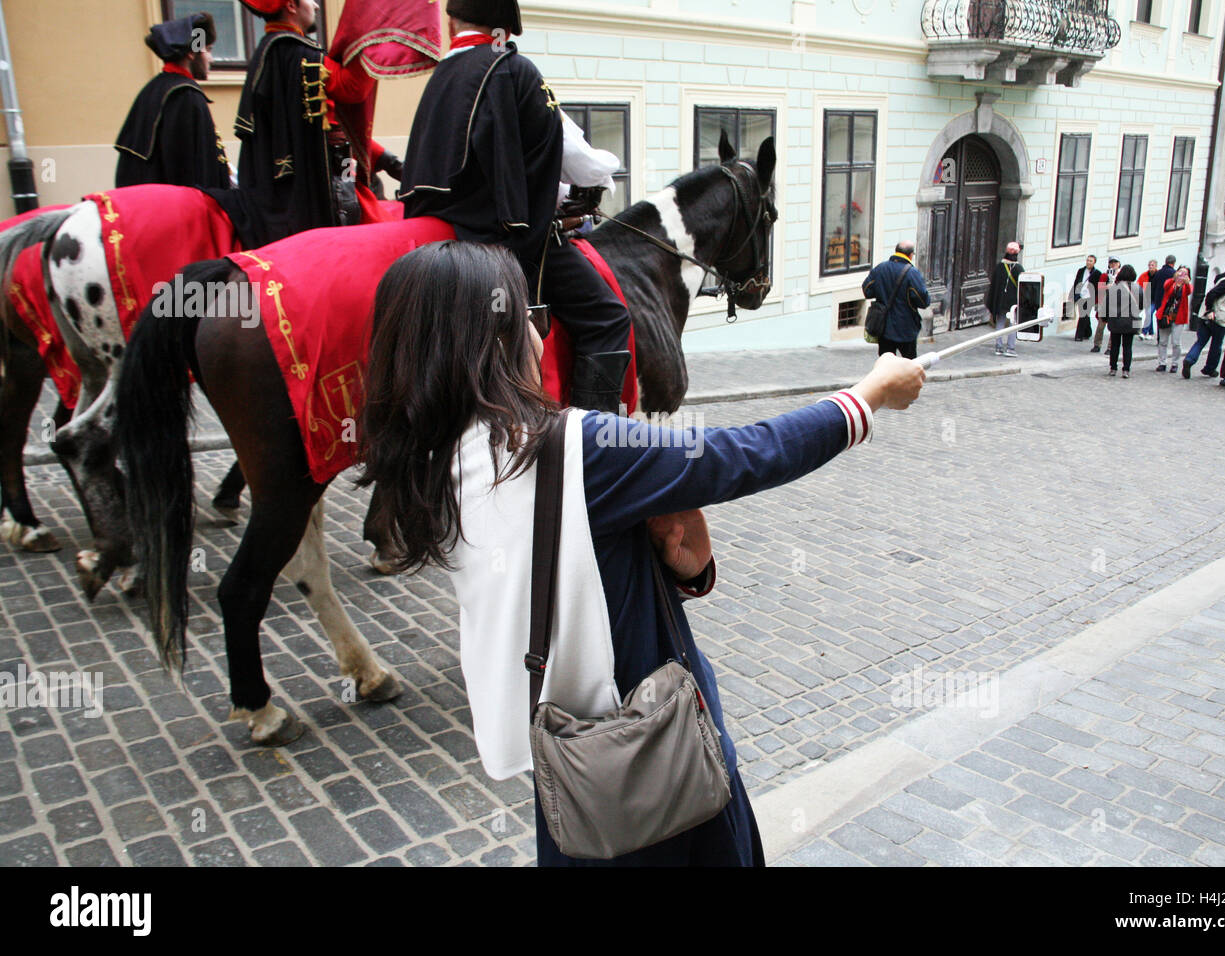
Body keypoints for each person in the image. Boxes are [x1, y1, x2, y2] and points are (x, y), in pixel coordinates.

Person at [357, 241, 925, 866]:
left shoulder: (433, 465)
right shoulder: (572, 447)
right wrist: (868, 395)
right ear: (492, 341)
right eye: (526, 314)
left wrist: (679, 566)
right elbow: (742, 455)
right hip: (655, 758)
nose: (538, 328)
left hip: (572, 787)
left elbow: (567, 569)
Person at [400, 0, 633, 413]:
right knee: (608, 318)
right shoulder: (514, 69)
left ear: (452, 20)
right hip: (502, 244)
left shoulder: (443, 75)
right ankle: (592, 438)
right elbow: (573, 157)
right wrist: (605, 172)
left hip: (443, 235)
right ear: (504, 28)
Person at [221, 0, 385, 246]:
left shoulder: (268, 51)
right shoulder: (301, 55)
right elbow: (352, 88)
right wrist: (374, 36)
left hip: (271, 188)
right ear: (291, 6)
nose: (317, 7)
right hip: (316, 186)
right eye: (311, 0)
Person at [114, 12, 231, 189]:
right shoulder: (185, 96)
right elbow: (192, 174)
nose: (211, 59)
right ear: (192, 52)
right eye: (208, 49)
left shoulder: (154, 89)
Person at [861, 240, 930, 359]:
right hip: (906, 328)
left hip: (884, 327)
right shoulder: (912, 273)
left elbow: (867, 290)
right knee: (909, 364)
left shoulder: (880, 268)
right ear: (910, 255)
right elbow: (923, 301)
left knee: (885, 364)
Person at [1183, 261, 1225, 378]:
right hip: (1218, 317)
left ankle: (1189, 360)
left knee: (1200, 341)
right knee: (1216, 345)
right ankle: (1210, 368)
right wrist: (1210, 310)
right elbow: (1211, 294)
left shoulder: (1221, 280)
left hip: (1205, 317)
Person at [984, 240, 1023, 357]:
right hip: (1013, 302)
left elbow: (994, 285)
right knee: (1013, 324)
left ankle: (998, 346)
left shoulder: (999, 267)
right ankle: (1010, 348)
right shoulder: (1018, 268)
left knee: (1000, 323)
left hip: (1000, 301)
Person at [1104, 264, 1142, 377]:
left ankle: (1113, 368)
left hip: (1115, 320)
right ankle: (1126, 370)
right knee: (1127, 346)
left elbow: (1107, 304)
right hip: (1130, 321)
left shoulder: (1114, 288)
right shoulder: (1137, 289)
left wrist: (1105, 318)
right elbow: (1141, 304)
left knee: (1115, 345)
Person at [1156, 266, 1191, 373]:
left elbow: (1189, 291)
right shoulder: (1170, 282)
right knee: (1162, 341)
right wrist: (1174, 279)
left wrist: (1187, 283)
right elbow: (1166, 287)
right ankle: (1162, 363)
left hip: (1178, 317)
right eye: (1180, 272)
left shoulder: (1186, 286)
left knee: (1176, 342)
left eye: (1185, 273)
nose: (1182, 275)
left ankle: (1175, 363)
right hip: (1166, 315)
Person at [1091, 256, 1120, 352]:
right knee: (1100, 326)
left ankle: (1110, 347)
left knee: (1113, 328)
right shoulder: (1104, 275)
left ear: (1119, 263)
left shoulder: (1121, 275)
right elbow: (1100, 289)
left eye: (1115, 262)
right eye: (1111, 262)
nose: (1113, 264)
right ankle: (1097, 345)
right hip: (1104, 304)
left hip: (1115, 305)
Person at [1071, 254, 1101, 342]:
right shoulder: (1081, 270)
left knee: (1083, 315)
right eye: (1087, 260)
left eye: (1090, 261)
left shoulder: (1097, 273)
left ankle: (1079, 335)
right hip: (1081, 296)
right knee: (1084, 315)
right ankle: (1088, 332)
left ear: (1094, 262)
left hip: (1090, 297)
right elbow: (1076, 282)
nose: (1088, 262)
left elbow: (1098, 287)